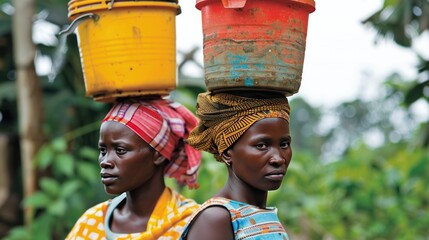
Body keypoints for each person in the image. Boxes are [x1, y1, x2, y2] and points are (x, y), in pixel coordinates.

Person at [66, 97, 201, 240]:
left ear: (158, 155)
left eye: (120, 150)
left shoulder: (190, 224)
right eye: (103, 151)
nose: (105, 161)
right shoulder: (90, 223)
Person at [180, 91, 292, 240]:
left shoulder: (265, 215)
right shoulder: (216, 218)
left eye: (284, 144)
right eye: (261, 145)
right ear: (227, 152)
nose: (278, 159)